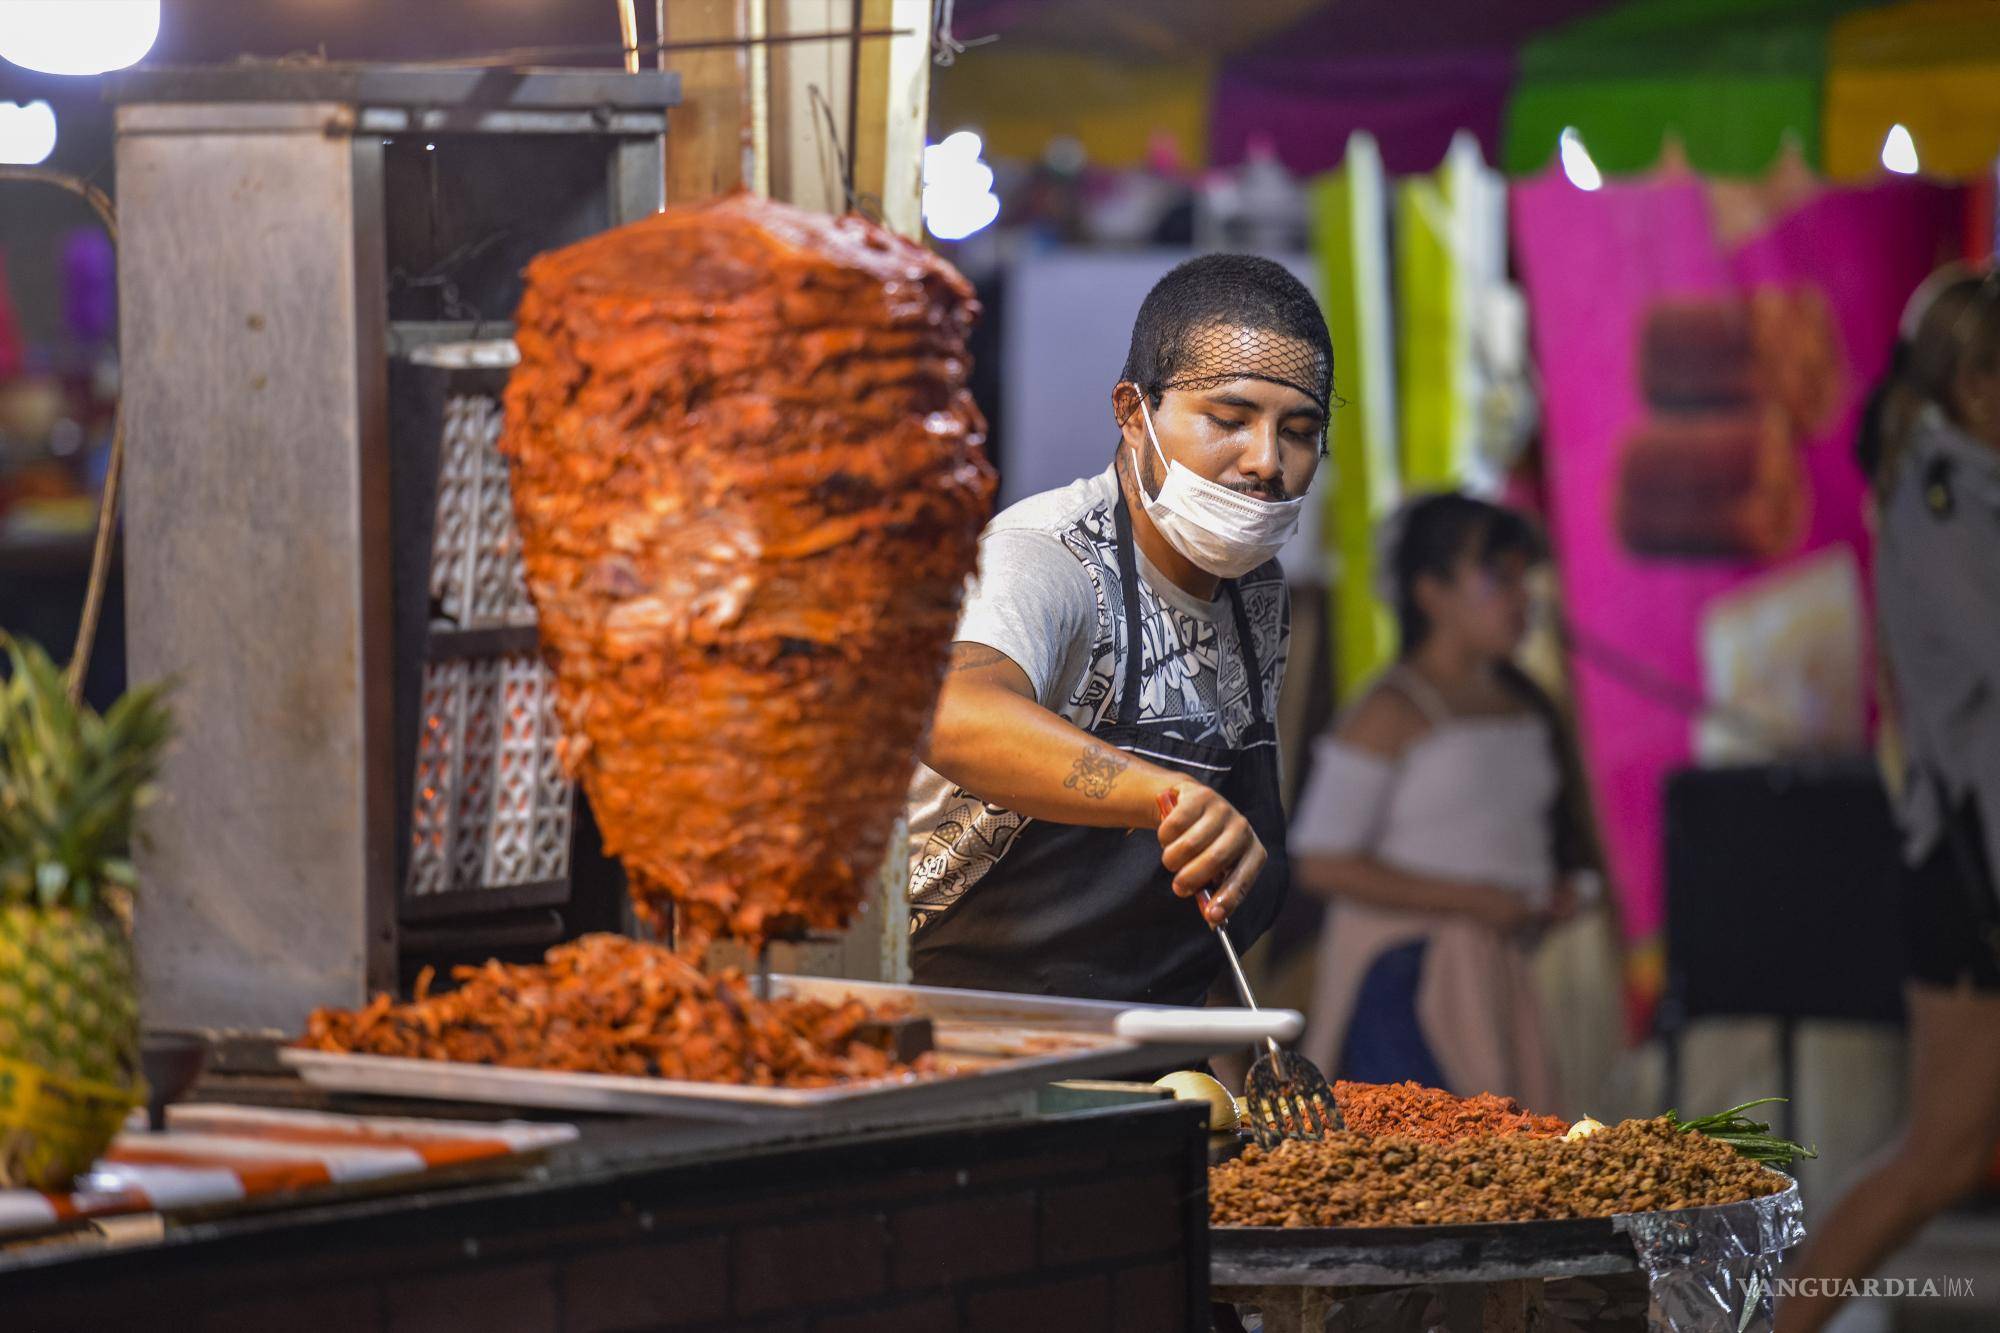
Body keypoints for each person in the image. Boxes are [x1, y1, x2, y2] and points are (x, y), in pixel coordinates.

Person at [904, 254, 1330, 1005]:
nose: (1267, 461)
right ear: (1134, 412)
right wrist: (1160, 793)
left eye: (1298, 432)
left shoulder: (1256, 593)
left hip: (1141, 1049)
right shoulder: (1050, 556)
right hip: (966, 1029)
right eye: (1230, 421)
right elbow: (952, 714)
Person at [1777, 265, 2000, 1333]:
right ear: (1974, 380)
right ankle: (1774, 1322)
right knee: (1939, 1154)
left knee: (1941, 1152)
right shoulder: (1942, 496)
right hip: (1970, 866)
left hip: (1965, 856)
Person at [1289, 494, 1592, 1109]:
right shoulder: (1389, 710)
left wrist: (1549, 895)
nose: (1523, 598)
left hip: (1495, 974)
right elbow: (1320, 860)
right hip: (1406, 981)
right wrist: (1475, 901)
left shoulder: (1529, 706)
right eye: (1499, 578)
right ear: (1430, 592)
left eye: (1524, 578)